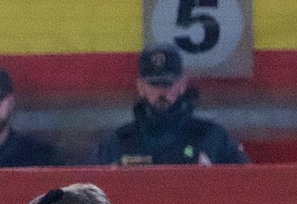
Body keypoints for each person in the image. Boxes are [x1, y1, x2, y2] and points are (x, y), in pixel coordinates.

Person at [94, 45, 248, 166]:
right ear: (141, 87)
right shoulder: (118, 143)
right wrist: (110, 180)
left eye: (168, 84)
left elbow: (248, 190)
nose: (162, 92)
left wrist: (213, 178)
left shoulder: (212, 137)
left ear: (182, 84)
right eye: (155, 84)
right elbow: (86, 196)